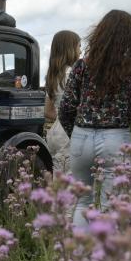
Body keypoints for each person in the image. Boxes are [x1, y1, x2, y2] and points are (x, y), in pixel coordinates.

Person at [58, 10, 131, 227]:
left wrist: (75, 133)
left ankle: (80, 255)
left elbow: (66, 107)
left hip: (82, 135)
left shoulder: (81, 66)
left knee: (81, 201)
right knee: (113, 203)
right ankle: (108, 257)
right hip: (116, 139)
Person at [43, 30, 81, 174]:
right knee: (73, 184)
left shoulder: (53, 77)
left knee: (58, 181)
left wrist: (60, 116)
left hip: (55, 134)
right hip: (71, 134)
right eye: (79, 46)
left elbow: (47, 111)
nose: (81, 51)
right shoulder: (74, 74)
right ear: (70, 49)